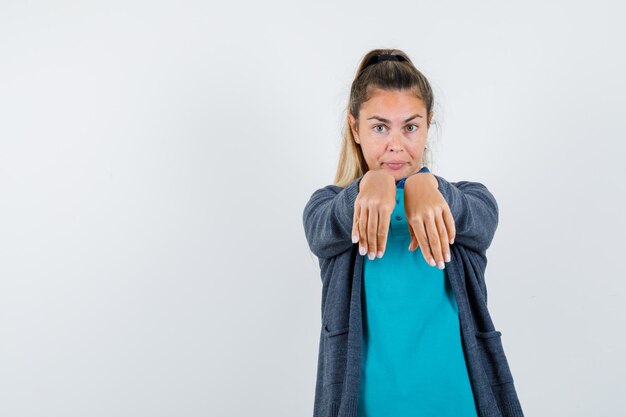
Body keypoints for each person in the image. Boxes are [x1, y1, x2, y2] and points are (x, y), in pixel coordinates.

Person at [302, 49, 525, 417]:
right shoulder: (329, 207)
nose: (395, 144)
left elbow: (482, 220)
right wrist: (367, 185)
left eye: (410, 126)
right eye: (379, 127)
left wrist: (429, 185)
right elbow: (321, 230)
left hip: (458, 405)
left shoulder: (465, 200)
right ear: (355, 127)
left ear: (428, 124)